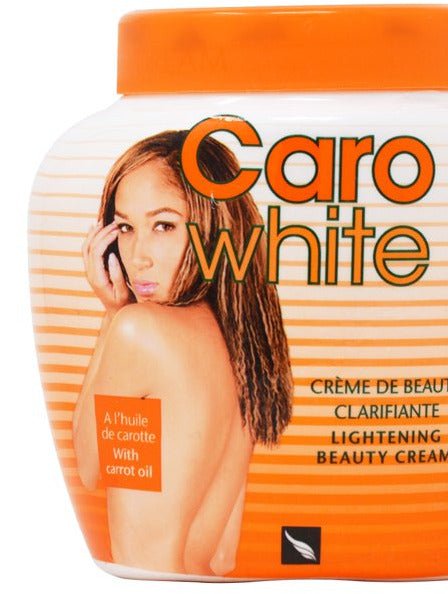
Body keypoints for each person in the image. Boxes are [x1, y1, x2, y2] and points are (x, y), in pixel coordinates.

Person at [72, 130, 293, 576]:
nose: (137, 256)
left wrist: (113, 314)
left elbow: (91, 468)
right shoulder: (245, 350)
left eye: (164, 226)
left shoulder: (138, 330)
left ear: (215, 229)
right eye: (125, 228)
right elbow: (223, 557)